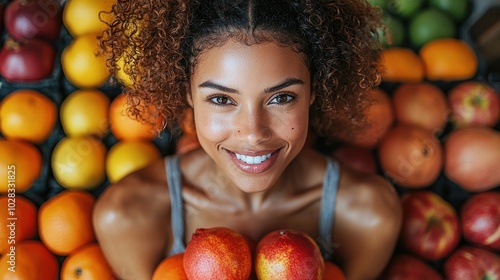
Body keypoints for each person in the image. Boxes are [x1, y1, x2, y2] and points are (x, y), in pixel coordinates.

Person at [93, 0, 402, 279]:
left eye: (281, 98)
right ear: (187, 92)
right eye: (221, 99)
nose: (253, 133)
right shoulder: (126, 216)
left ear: (313, 92)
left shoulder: (370, 216)